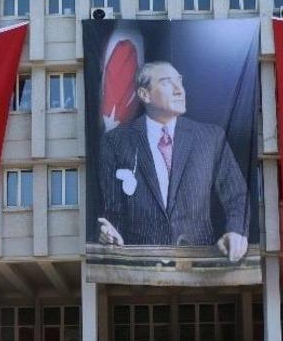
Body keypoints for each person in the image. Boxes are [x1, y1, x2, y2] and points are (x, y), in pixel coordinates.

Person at [95, 61, 249, 260]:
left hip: (199, 265)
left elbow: (237, 196)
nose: (180, 90)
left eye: (180, 82)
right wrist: (109, 234)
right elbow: (111, 209)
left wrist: (236, 231)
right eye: (167, 83)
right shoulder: (115, 142)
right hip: (141, 267)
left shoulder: (211, 138)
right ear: (144, 94)